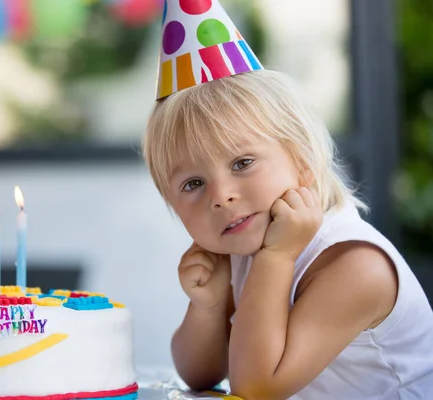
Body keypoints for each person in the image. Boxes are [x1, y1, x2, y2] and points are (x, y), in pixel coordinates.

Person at [142, 1, 433, 399]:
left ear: (302, 159)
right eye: (193, 184)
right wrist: (208, 307)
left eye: (242, 162)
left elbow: (257, 386)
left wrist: (276, 260)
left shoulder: (355, 265)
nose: (222, 196)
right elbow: (201, 375)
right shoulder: (250, 242)